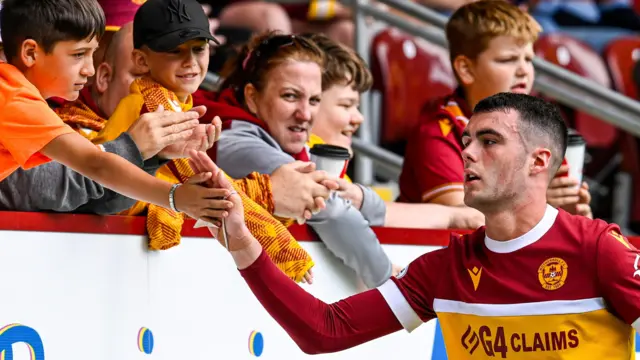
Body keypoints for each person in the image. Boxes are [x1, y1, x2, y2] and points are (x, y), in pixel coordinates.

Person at [197, 92, 640, 359]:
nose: (467, 153)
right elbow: (325, 330)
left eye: (489, 142)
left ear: (539, 161)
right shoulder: (443, 270)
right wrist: (241, 244)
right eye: (466, 141)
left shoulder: (599, 250)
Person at [88, 1, 334, 282]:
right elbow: (103, 178)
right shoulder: (146, 106)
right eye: (175, 50)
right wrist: (285, 250)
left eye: (199, 48)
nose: (190, 62)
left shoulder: (182, 106)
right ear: (142, 60)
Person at [0, 0, 228, 223]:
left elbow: (97, 198)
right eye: (79, 54)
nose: (90, 70)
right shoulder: (11, 96)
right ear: (30, 52)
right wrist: (175, 195)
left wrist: (153, 155)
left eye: (92, 54)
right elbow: (93, 166)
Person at [210, 31, 399, 288]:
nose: (305, 113)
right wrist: (387, 279)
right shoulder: (235, 140)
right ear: (252, 97)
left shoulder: (279, 140)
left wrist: (361, 199)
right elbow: (329, 209)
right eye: (290, 96)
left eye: (314, 100)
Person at [398, 0, 593, 220]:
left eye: (528, 59)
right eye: (507, 59)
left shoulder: (538, 131)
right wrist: (540, 202)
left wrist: (570, 216)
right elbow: (464, 222)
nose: (523, 71)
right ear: (466, 69)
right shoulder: (437, 132)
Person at [302, 32, 484, 230]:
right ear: (309, 104)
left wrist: (456, 216)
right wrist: (455, 217)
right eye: (346, 105)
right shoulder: (302, 167)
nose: (358, 118)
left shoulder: (323, 165)